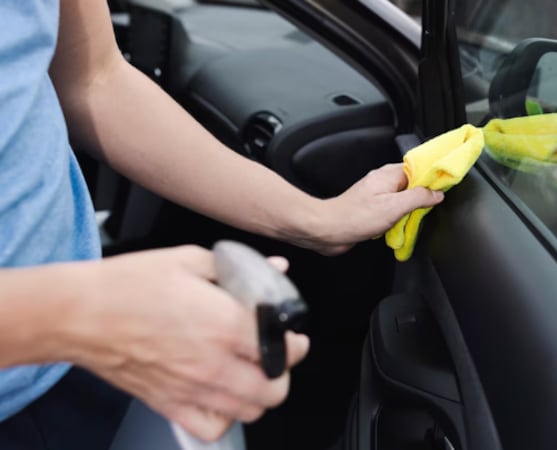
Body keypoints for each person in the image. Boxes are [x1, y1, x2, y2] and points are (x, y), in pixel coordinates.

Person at [0, 1, 444, 449]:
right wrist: (78, 316)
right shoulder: (88, 319)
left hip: (71, 367)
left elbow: (94, 78)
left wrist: (316, 219)